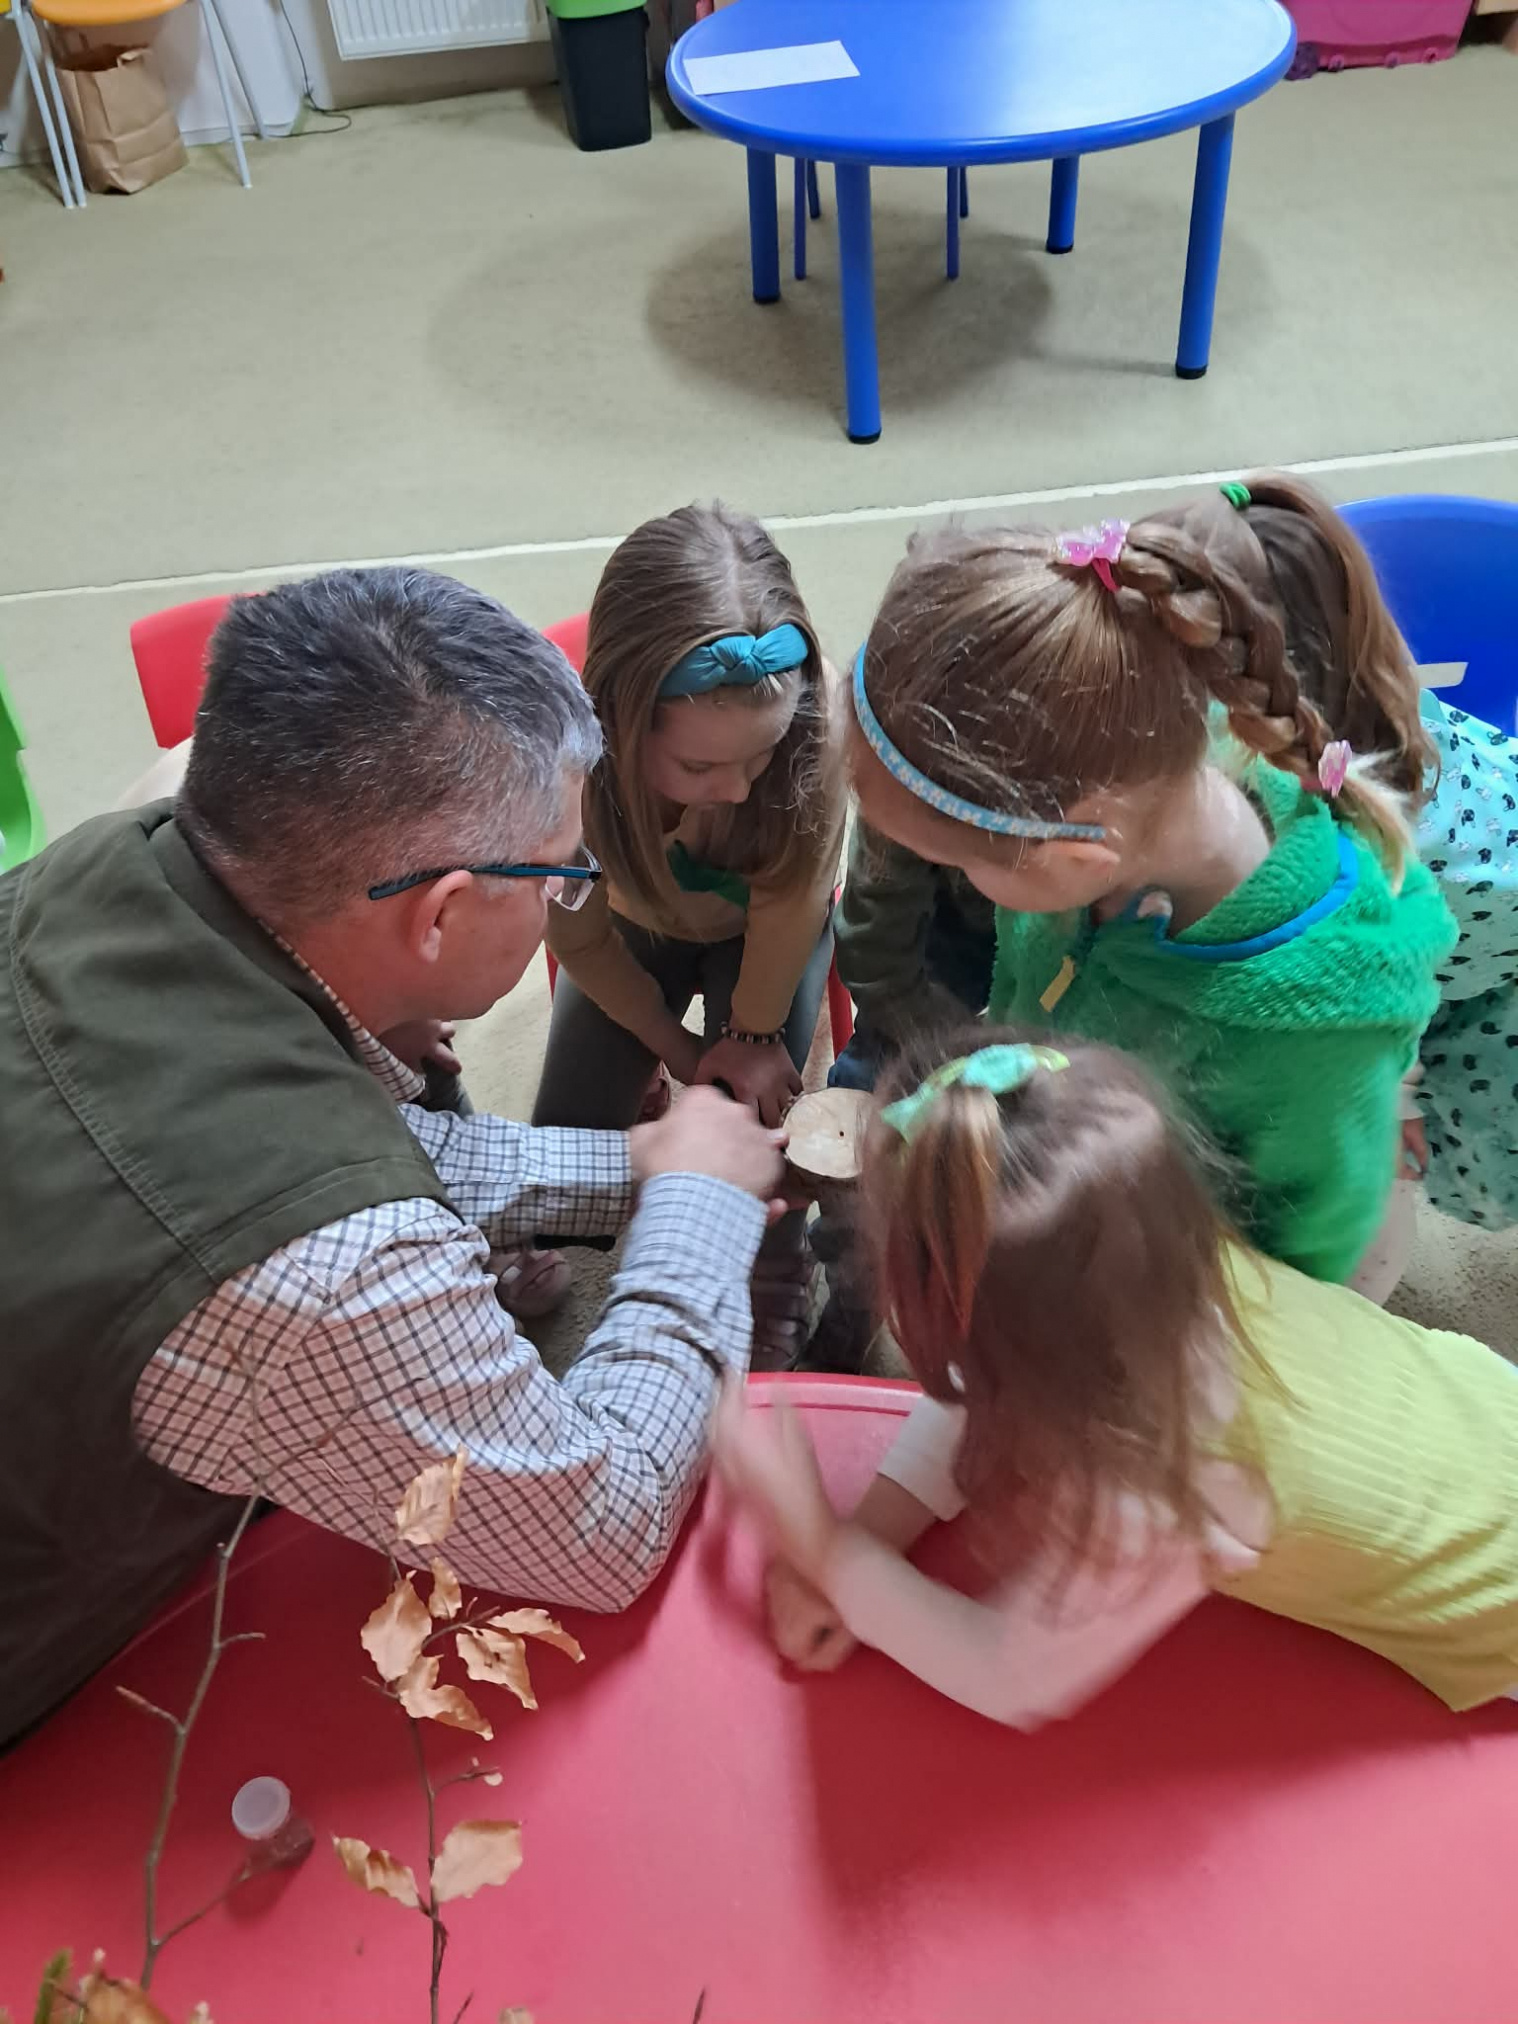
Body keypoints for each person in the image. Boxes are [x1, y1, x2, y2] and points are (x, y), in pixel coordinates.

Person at [0, 567, 786, 1747]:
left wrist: (643, 1160)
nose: (572, 895)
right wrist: (700, 1206)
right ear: (443, 914)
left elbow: (347, 1143)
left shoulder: (127, 852)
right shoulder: (324, 1273)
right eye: (564, 872)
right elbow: (603, 1523)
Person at [715, 1034, 1518, 1727]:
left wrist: (826, 1548)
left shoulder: (1158, 1490)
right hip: (1482, 1406)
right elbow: (995, 1362)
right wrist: (872, 1533)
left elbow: (1009, 1676)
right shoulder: (1139, 1257)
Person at [844, 509, 1455, 1294]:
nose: (950, 879)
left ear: (1074, 858)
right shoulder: (1133, 758)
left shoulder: (1311, 1049)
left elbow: (1308, 1269)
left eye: (954, 863)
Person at [532, 503, 847, 1362]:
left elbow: (791, 902)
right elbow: (580, 941)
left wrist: (750, 1036)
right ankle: (557, 1216)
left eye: (761, 757)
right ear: (620, 725)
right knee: (567, 1134)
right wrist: (675, 1049)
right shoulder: (565, 772)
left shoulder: (813, 737)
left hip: (765, 939)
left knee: (762, 1116)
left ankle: (774, 1269)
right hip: (632, 931)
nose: (740, 790)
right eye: (700, 766)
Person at [1213, 473, 1518, 1231]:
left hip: (1481, 990)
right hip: (1462, 906)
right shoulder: (1378, 688)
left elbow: (1376, 1005)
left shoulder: (1355, 868)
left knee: (1456, 1165)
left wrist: (1398, 1099)